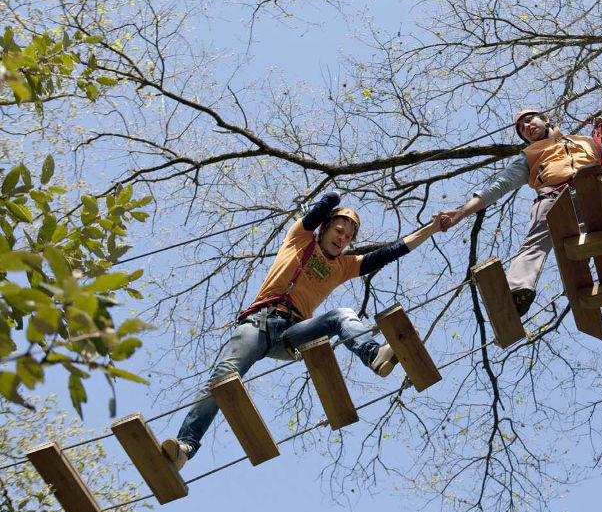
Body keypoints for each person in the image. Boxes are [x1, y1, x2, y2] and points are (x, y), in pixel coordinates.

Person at [161, 191, 443, 469]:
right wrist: (334, 196)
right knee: (223, 376)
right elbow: (324, 205)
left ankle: (373, 355)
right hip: (259, 323)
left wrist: (431, 227)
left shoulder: (344, 267)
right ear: (325, 227)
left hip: (292, 334)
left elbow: (393, 251)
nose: (342, 239)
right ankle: (185, 448)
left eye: (347, 238)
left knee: (341, 315)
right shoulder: (299, 238)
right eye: (338, 230)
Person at [438, 110, 602, 316]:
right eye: (522, 129)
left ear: (546, 119)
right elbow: (500, 184)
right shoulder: (529, 155)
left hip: (598, 190)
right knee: (537, 238)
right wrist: (462, 212)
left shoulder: (585, 141)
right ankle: (518, 290)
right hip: (556, 198)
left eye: (528, 122)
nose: (526, 128)